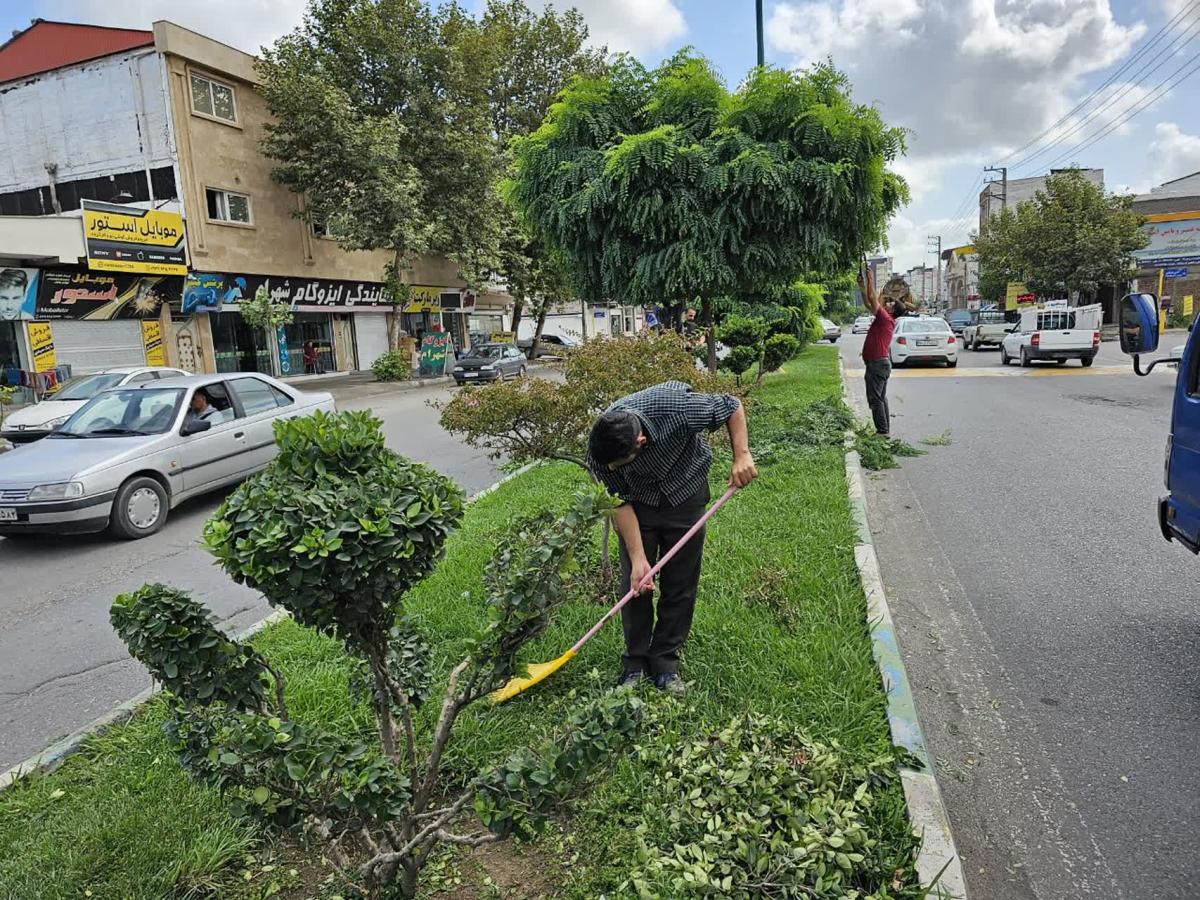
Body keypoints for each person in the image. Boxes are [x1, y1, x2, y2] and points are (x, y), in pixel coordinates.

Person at [586, 380, 758, 696]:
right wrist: (639, 558)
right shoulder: (601, 452)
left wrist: (742, 455)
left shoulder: (676, 407)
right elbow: (618, 502)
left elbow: (731, 405)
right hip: (639, 504)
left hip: (686, 493)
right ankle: (635, 663)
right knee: (635, 584)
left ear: (639, 441)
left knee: (680, 583)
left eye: (621, 463)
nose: (613, 468)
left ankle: (665, 662)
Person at [858, 268, 911, 436]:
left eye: (890, 304)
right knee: (880, 398)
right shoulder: (885, 319)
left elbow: (873, 298)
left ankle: (882, 432)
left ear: (892, 311)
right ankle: (884, 431)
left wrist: (870, 279)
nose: (887, 303)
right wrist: (862, 286)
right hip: (880, 364)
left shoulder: (885, 318)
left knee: (875, 399)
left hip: (877, 365)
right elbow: (869, 303)